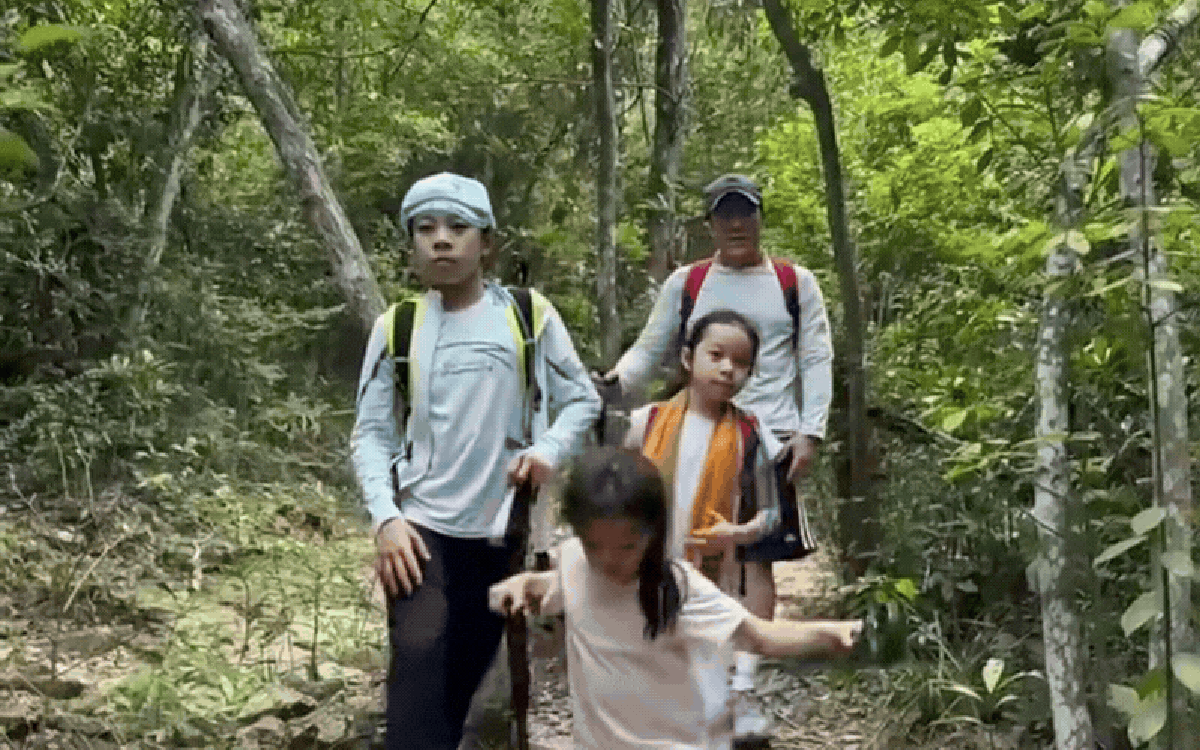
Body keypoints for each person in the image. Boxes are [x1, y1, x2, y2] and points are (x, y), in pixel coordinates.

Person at [351, 172, 601, 750]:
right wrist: (386, 519)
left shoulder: (528, 316)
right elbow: (371, 434)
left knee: (467, 686)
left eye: (458, 227)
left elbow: (582, 399)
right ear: (411, 245)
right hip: (419, 537)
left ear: (486, 242)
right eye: (426, 229)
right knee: (416, 683)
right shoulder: (397, 327)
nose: (442, 240)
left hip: (501, 532)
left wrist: (547, 451)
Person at [603, 173, 835, 740]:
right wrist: (612, 384)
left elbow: (816, 355)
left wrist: (811, 432)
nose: (735, 223)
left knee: (754, 562)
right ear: (709, 222)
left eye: (745, 212)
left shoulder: (793, 282)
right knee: (680, 549)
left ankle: (744, 684)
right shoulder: (689, 283)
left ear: (759, 217)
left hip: (769, 439)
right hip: (693, 434)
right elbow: (652, 346)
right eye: (724, 213)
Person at [489, 446, 862, 750]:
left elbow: (759, 636)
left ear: (652, 534)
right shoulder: (574, 561)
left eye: (626, 547)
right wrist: (520, 586)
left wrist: (838, 633)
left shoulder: (680, 588)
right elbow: (551, 586)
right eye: (595, 547)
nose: (608, 560)